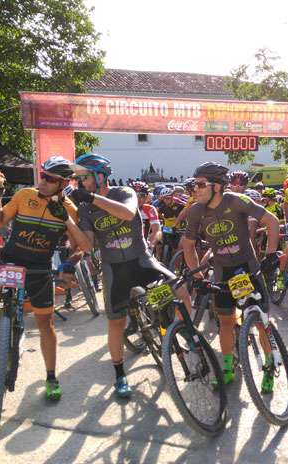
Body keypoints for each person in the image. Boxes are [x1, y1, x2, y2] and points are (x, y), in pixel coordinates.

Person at [69, 154, 191, 399]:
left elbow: (126, 214)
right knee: (116, 324)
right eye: (77, 179)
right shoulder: (84, 208)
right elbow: (87, 245)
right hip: (114, 268)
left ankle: (185, 333)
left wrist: (93, 198)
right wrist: (66, 220)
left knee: (180, 292)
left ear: (99, 176)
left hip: (141, 261)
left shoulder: (124, 192)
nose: (78, 183)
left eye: (82, 177)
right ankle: (120, 374)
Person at [0, 157, 91, 401]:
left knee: (45, 325)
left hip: (39, 268)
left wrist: (70, 261)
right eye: (42, 175)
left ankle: (51, 377)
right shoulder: (24, 195)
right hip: (10, 260)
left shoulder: (69, 210)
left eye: (50, 179)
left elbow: (83, 246)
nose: (43, 182)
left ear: (62, 183)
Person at [183, 162, 280, 389]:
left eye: (200, 184)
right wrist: (198, 279)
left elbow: (272, 221)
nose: (194, 189)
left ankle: (268, 366)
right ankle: (227, 369)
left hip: (248, 267)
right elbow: (188, 245)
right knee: (225, 323)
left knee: (259, 322)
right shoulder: (197, 210)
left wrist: (271, 254)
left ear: (216, 187)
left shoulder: (237, 201)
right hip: (223, 272)